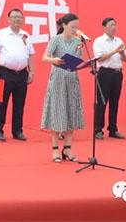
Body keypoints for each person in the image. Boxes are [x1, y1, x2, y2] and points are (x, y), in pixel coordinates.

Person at [41, 13, 85, 163]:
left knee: (71, 111)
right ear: (64, 25)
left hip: (72, 79)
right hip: (58, 80)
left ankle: (67, 148)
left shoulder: (77, 41)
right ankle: (55, 149)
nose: (75, 30)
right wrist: (55, 60)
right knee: (57, 112)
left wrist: (82, 60)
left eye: (76, 27)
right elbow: (44, 57)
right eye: (72, 27)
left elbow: (79, 60)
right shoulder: (56, 40)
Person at [0, 8, 35, 142]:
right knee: (1, 103)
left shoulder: (25, 35)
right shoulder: (1, 34)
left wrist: (31, 71)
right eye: (14, 17)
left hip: (22, 74)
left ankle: (17, 131)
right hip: (5, 73)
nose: (17, 20)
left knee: (19, 104)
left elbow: (31, 54)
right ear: (8, 19)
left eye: (19, 17)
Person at [93, 17, 126, 139]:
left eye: (115, 25)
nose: (114, 27)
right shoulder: (99, 41)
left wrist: (122, 52)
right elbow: (99, 58)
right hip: (104, 73)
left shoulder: (119, 41)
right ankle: (98, 129)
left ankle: (113, 128)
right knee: (102, 101)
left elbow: (125, 59)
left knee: (115, 102)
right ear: (104, 27)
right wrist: (115, 51)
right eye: (111, 25)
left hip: (117, 73)